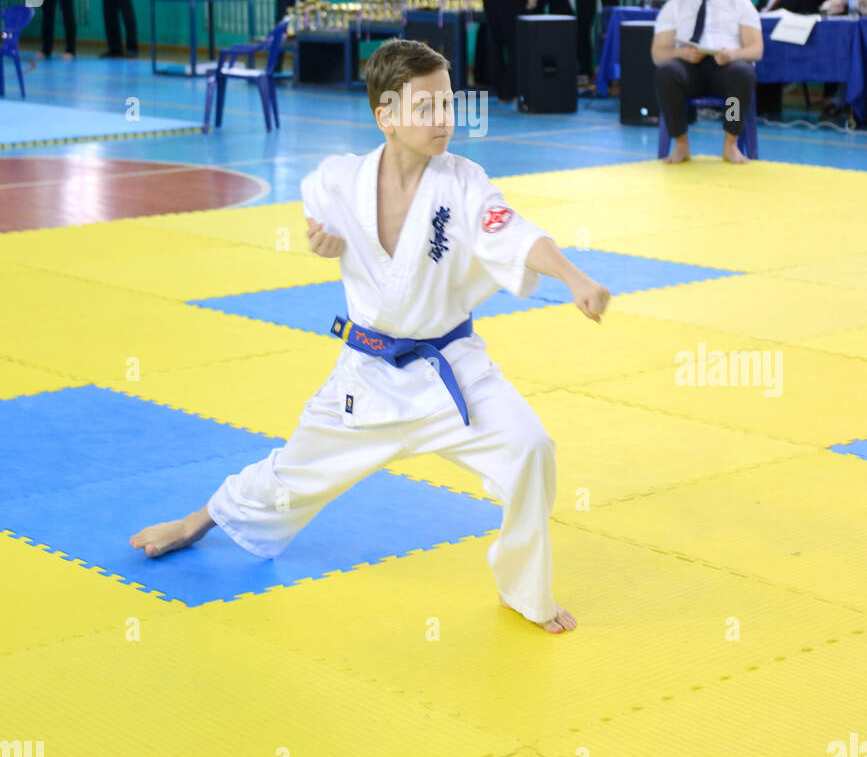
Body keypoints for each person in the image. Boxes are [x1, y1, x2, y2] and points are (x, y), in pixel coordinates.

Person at [130, 38, 611, 633]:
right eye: (426, 107)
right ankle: (197, 521)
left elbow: (514, 232)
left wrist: (574, 276)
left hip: (450, 371)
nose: (443, 119)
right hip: (366, 375)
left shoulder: (463, 182)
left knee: (531, 450)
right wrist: (317, 233)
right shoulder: (341, 180)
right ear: (385, 116)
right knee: (293, 474)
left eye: (448, 104)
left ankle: (524, 590)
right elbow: (315, 203)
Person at [651, 0, 763, 165]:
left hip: (725, 68)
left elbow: (756, 49)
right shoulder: (675, 5)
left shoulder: (740, 3)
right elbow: (658, 54)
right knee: (666, 72)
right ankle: (681, 143)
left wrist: (733, 55)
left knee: (743, 73)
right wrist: (679, 53)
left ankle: (730, 143)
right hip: (689, 68)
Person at [756, 0, 825, 117]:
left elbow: (806, 19)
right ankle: (734, 109)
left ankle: (767, 108)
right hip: (759, 37)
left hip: (785, 44)